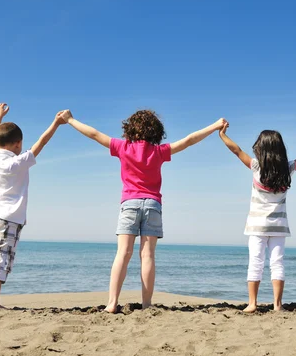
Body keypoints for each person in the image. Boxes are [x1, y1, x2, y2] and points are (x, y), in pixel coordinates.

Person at [58, 109, 226, 312]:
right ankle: (147, 304)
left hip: (130, 203)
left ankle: (112, 303)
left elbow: (94, 134)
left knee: (123, 253)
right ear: (155, 131)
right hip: (153, 205)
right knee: (147, 256)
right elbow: (189, 140)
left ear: (129, 129)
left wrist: (71, 120)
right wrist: (215, 125)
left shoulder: (123, 147)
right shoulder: (158, 151)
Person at [219, 122, 296, 313]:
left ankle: (252, 303)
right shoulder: (287, 169)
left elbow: (236, 150)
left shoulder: (256, 167)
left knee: (255, 262)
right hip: (278, 226)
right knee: (277, 263)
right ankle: (278, 305)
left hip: (256, 226)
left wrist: (222, 135)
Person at [0, 103, 65, 312]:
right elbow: (41, 143)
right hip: (10, 218)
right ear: (17, 144)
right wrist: (56, 123)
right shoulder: (17, 162)